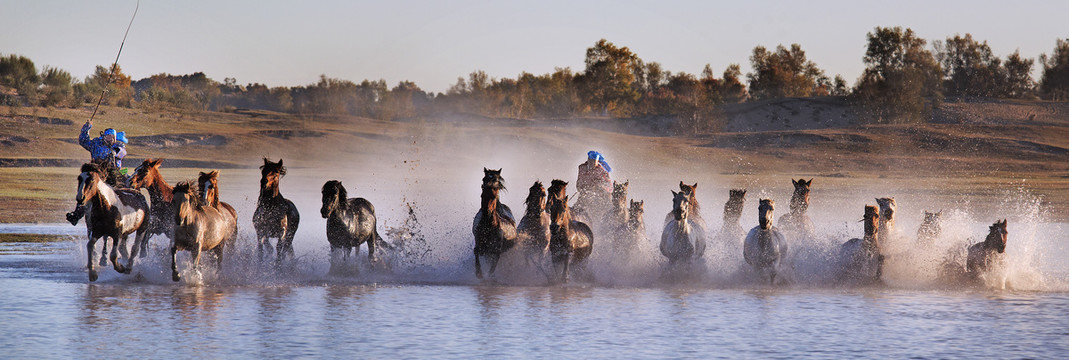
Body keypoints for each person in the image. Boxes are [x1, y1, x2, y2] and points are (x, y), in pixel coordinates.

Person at [66, 119, 130, 225]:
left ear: (115, 138)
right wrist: (86, 128)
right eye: (108, 136)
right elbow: (83, 141)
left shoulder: (119, 146)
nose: (109, 139)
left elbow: (123, 153)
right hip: (98, 173)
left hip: (114, 173)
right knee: (86, 187)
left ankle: (133, 210)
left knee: (129, 181)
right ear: (104, 136)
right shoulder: (96, 144)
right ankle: (77, 214)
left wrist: (114, 152)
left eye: (112, 137)